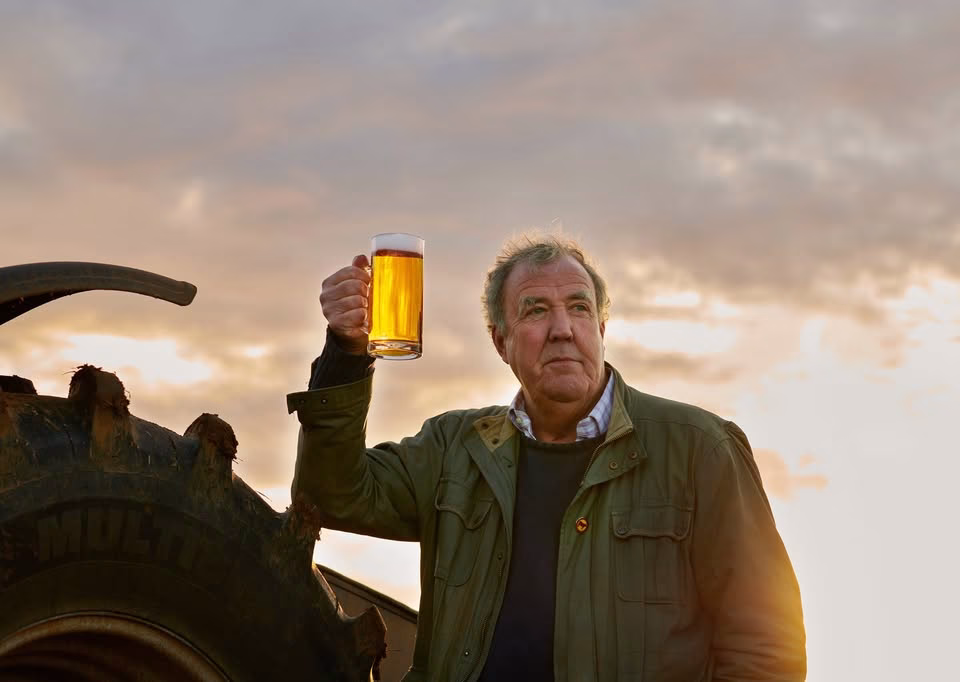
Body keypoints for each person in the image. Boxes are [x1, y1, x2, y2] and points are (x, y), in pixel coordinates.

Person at [287, 235, 806, 681]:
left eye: (579, 307)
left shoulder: (699, 448)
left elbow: (765, 642)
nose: (563, 328)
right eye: (535, 310)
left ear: (601, 329)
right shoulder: (453, 448)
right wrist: (346, 352)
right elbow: (331, 495)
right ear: (501, 342)